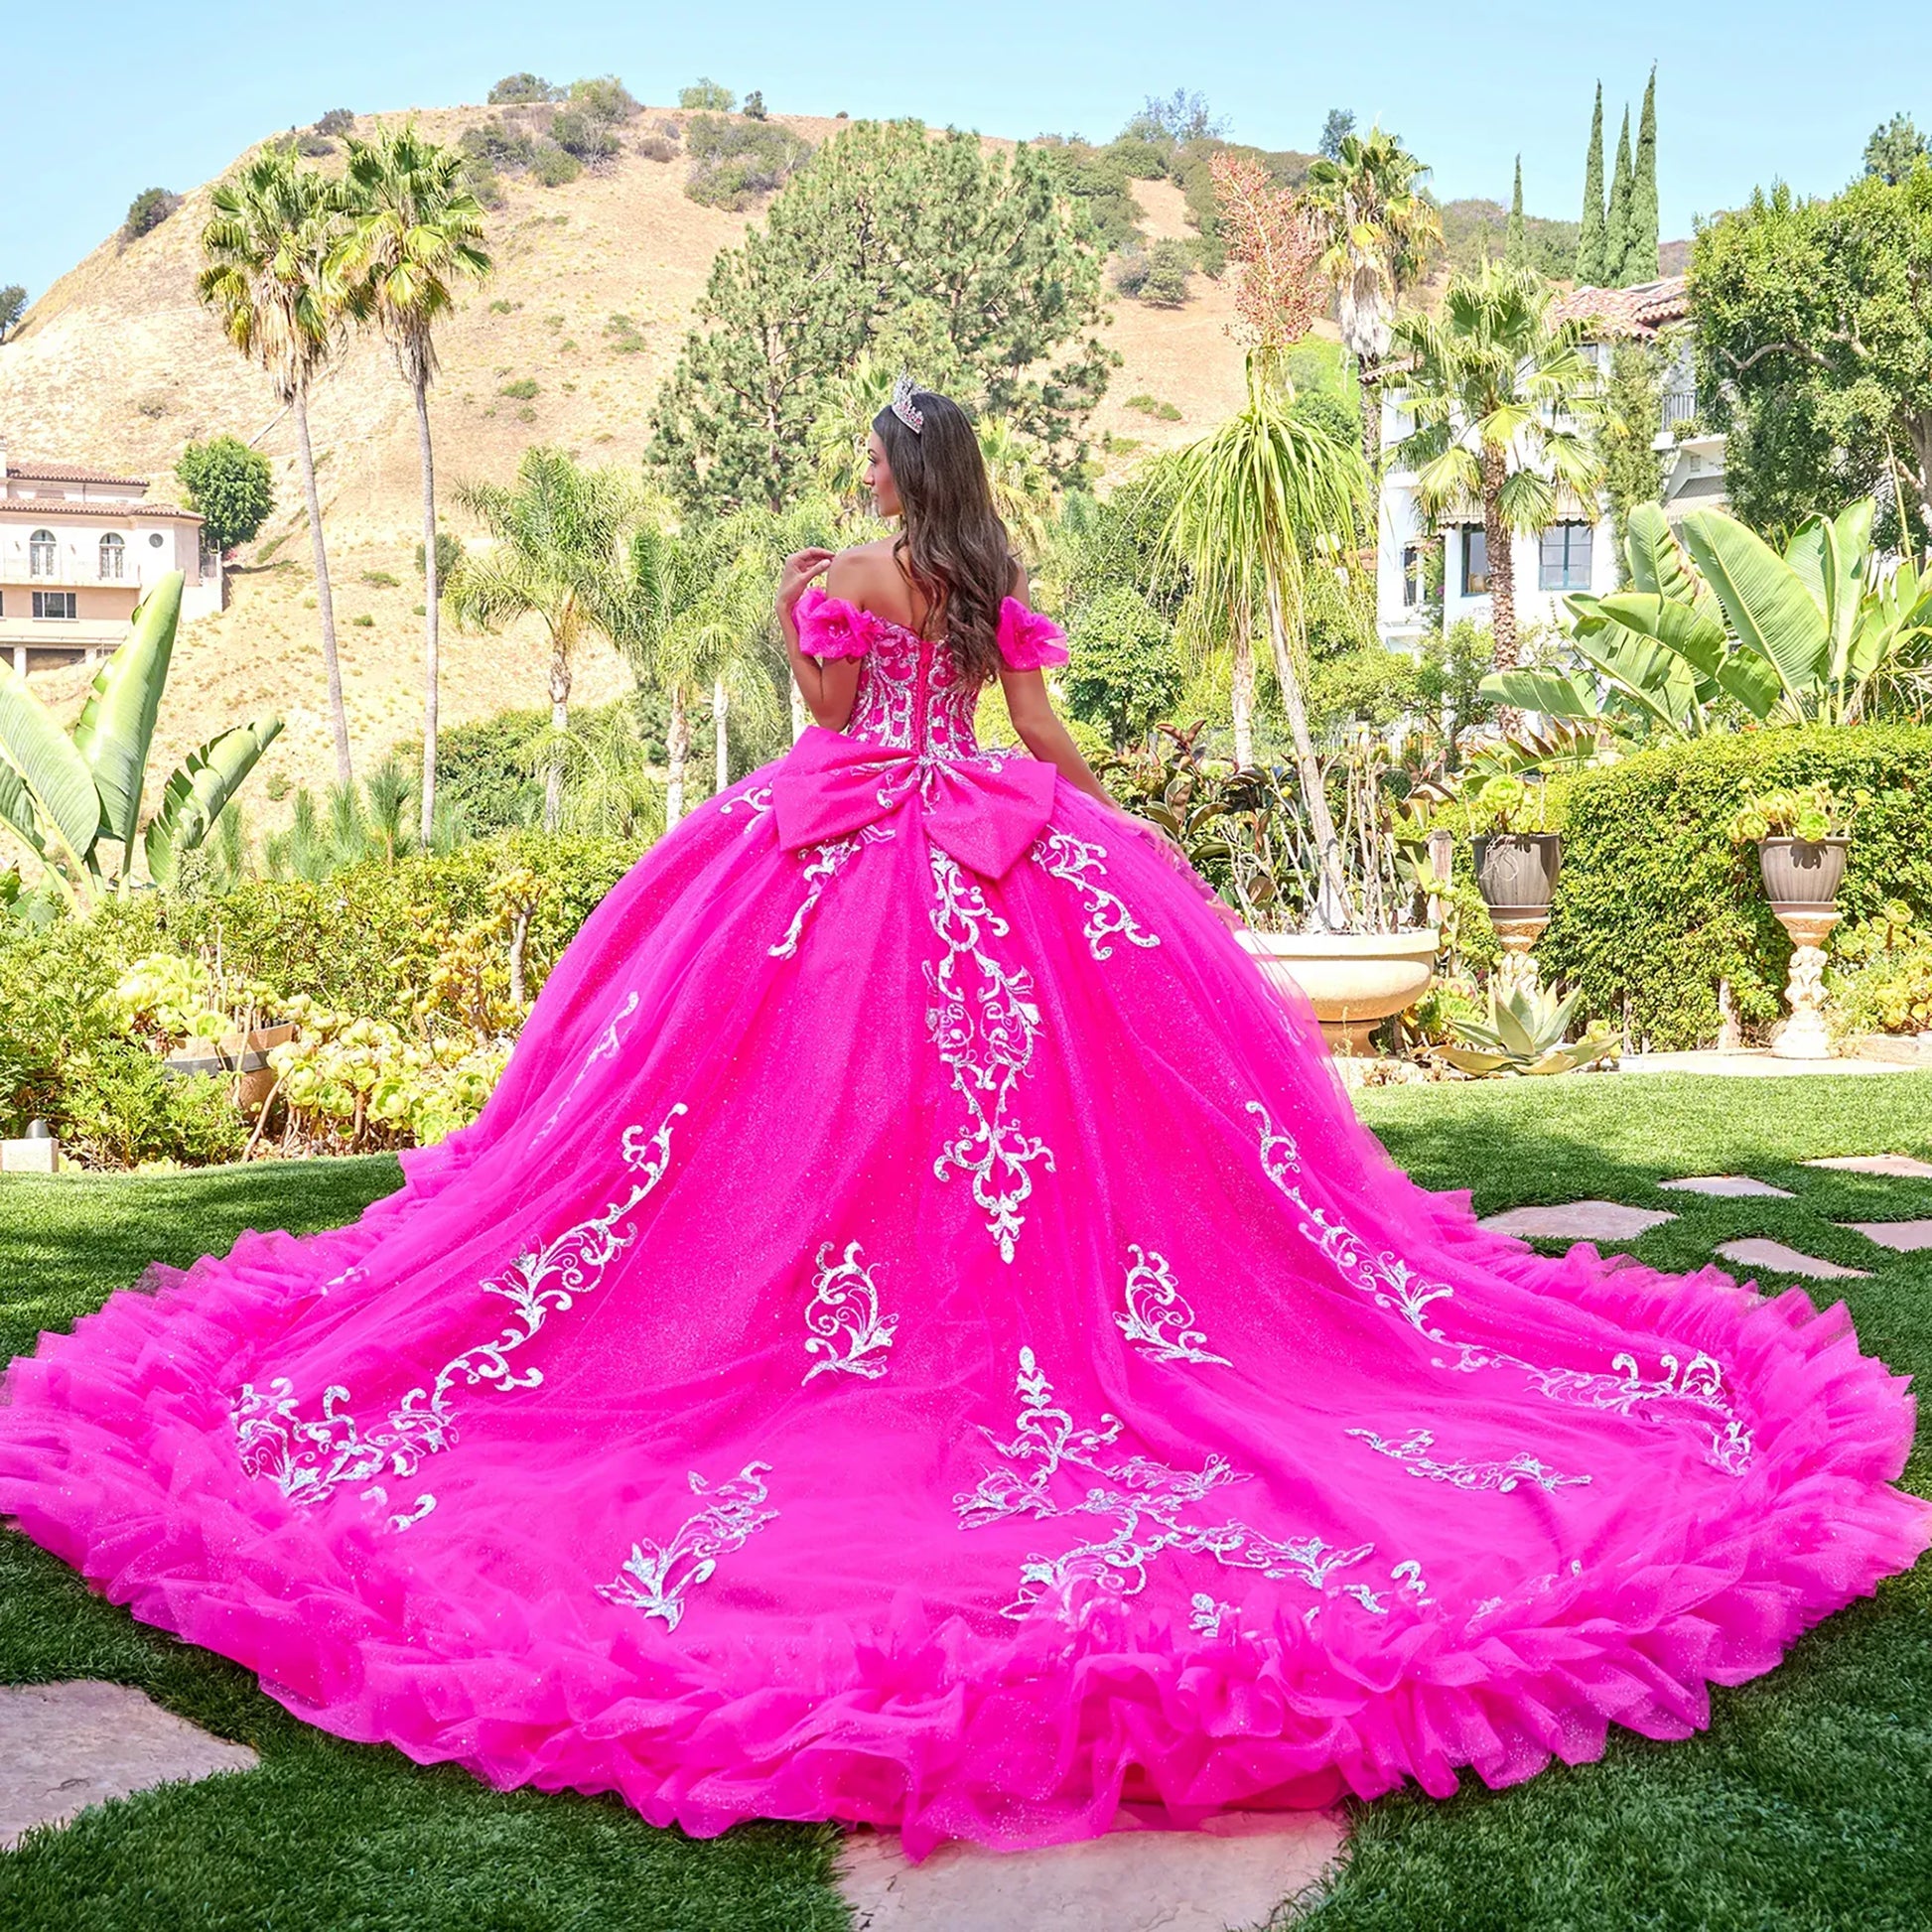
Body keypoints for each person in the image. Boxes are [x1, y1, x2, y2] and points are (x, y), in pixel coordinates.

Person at [2, 382, 1924, 1862]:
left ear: (877, 473)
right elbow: (1045, 753)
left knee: (767, 1131)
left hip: (837, 853)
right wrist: (1106, 820)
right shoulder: (1000, 583)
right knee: (1078, 1150)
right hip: (1002, 850)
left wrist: (847, 680)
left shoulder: (833, 588)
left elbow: (829, 721)